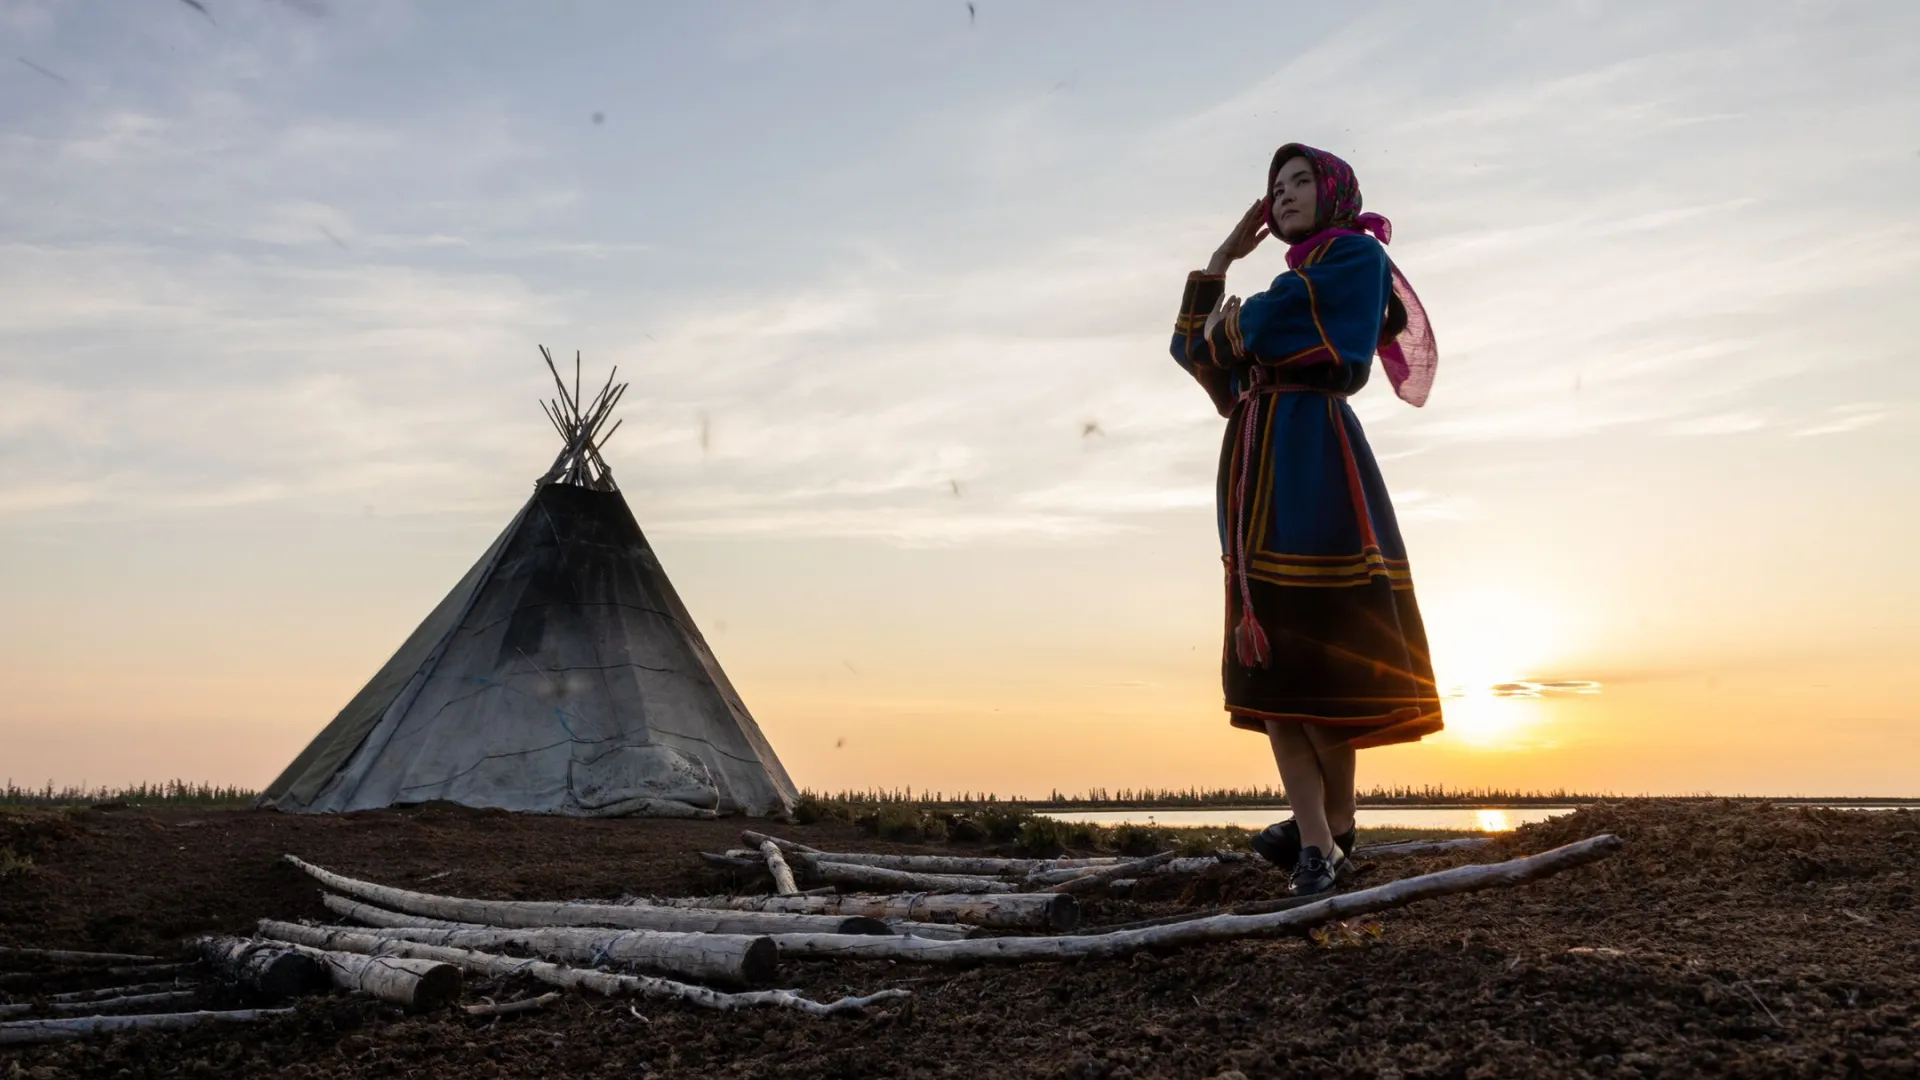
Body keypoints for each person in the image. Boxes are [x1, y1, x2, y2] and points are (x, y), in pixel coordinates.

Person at [1169, 143, 1443, 895]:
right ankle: (1327, 833)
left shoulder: (1355, 258)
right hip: (1255, 466)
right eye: (1274, 186)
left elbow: (1273, 326)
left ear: (1333, 194)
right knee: (1272, 663)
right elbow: (1190, 345)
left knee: (1313, 657)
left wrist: (1242, 325)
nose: (1284, 194)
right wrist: (1225, 255)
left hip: (1312, 464)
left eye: (1300, 182)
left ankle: (1324, 838)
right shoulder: (1298, 274)